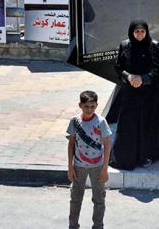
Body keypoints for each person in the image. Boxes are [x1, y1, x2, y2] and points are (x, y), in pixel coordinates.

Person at [110, 20, 159, 170]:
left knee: (148, 125)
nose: (139, 34)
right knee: (128, 124)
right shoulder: (125, 45)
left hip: (151, 94)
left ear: (146, 32)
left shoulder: (154, 46)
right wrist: (128, 76)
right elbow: (118, 67)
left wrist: (142, 79)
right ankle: (126, 157)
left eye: (142, 31)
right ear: (131, 32)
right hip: (130, 91)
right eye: (137, 31)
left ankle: (147, 156)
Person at [67, 90, 112, 229]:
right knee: (75, 199)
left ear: (96, 105)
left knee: (99, 199)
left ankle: (98, 226)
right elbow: (71, 144)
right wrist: (70, 167)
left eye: (92, 107)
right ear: (80, 105)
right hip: (78, 166)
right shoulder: (75, 121)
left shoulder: (101, 122)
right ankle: (73, 226)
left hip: (97, 167)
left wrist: (104, 169)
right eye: (86, 106)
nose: (89, 110)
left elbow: (107, 145)